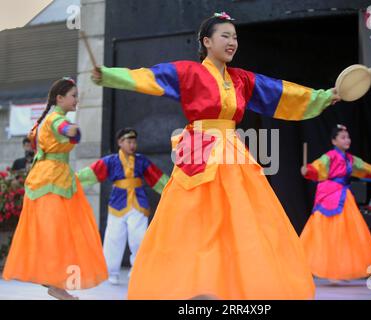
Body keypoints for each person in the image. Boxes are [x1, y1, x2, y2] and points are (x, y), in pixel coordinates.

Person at [91, 12, 340, 299]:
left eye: (235, 37)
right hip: (198, 150)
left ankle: (232, 287)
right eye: (225, 36)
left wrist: (323, 96)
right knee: (193, 219)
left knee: (241, 219)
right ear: (207, 41)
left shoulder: (241, 80)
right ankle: (191, 285)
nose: (232, 42)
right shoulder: (189, 72)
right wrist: (110, 75)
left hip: (233, 150)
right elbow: (150, 77)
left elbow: (281, 94)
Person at [2, 78, 108, 300]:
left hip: (58, 180)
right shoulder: (55, 119)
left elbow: (72, 134)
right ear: (60, 98)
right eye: (73, 96)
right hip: (50, 182)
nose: (76, 100)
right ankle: (54, 282)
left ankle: (57, 284)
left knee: (63, 234)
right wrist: (74, 129)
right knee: (57, 234)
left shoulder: (54, 118)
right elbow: (67, 130)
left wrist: (75, 131)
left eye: (77, 96)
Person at [77, 127, 169, 285]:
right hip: (117, 203)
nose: (132, 145)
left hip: (138, 203)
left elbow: (157, 178)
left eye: (134, 142)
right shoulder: (110, 161)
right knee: (113, 238)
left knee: (139, 238)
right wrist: (71, 180)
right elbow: (91, 173)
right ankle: (111, 271)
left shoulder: (142, 160)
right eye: (129, 141)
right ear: (120, 142)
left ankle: (138, 270)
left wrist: (173, 189)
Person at [299, 124, 371, 281]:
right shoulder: (329, 156)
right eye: (343, 137)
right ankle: (314, 266)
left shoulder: (351, 159)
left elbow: (364, 168)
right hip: (328, 193)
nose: (347, 140)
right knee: (323, 231)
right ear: (334, 141)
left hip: (343, 195)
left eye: (348, 137)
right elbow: (317, 167)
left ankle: (339, 269)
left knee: (345, 233)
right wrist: (308, 170)